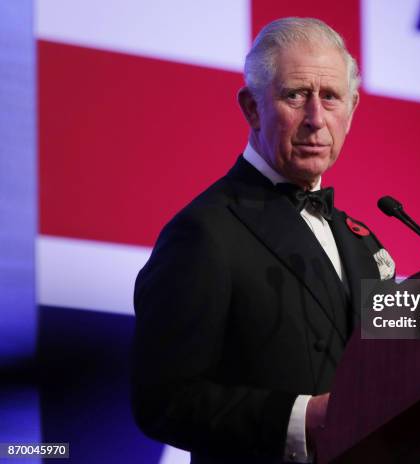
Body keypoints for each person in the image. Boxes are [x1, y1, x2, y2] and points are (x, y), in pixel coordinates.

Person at [131, 17, 395, 464]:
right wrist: (301, 417)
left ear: (351, 109)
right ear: (252, 107)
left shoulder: (362, 242)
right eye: (295, 95)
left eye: (330, 97)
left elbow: (405, 352)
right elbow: (163, 400)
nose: (316, 119)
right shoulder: (205, 231)